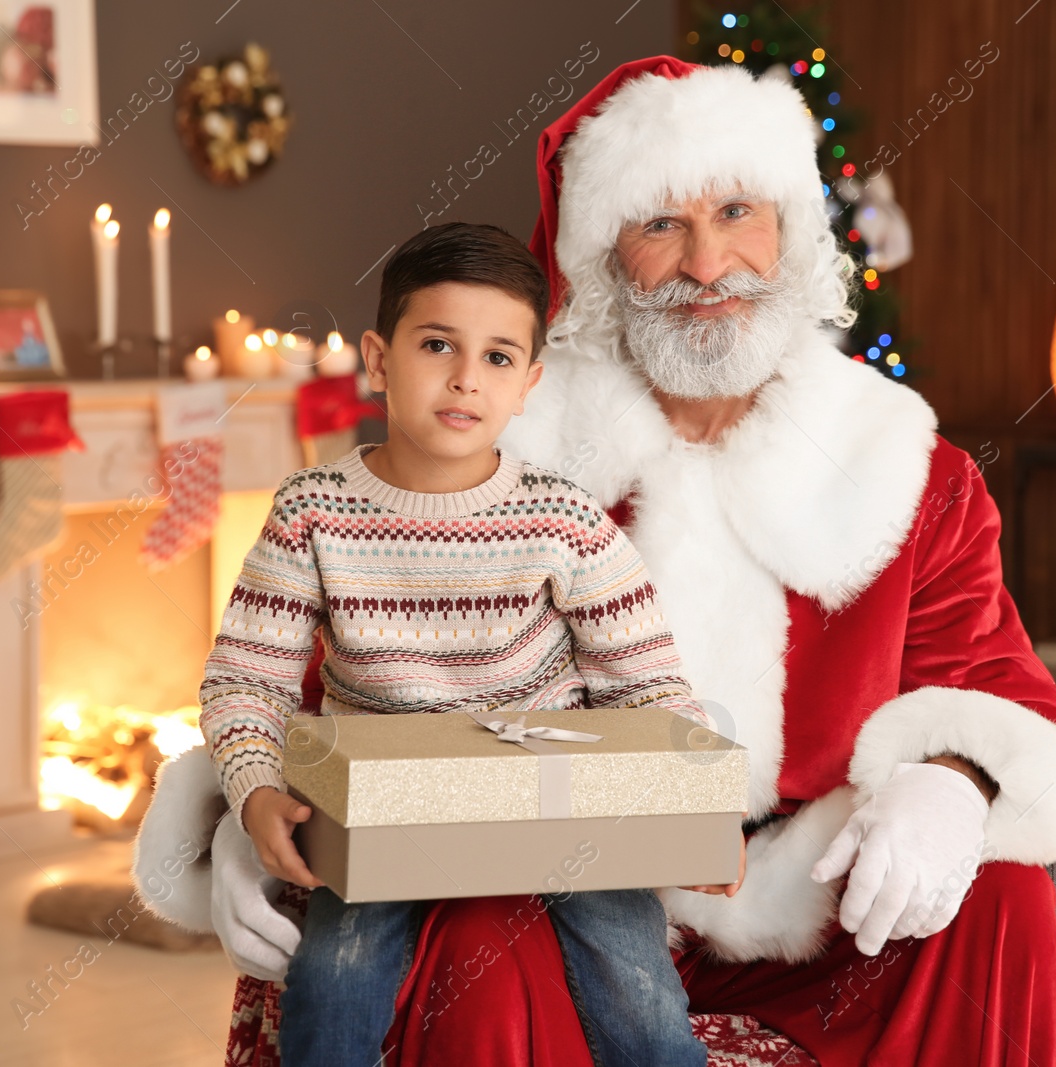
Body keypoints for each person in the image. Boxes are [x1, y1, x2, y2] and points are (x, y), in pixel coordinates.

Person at [136, 57, 1056, 1066]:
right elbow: (329, 670)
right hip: (555, 886)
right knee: (472, 934)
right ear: (604, 256)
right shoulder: (496, 462)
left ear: (790, 231)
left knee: (1004, 903)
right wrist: (243, 812)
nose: (705, 263)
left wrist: (948, 782)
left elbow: (989, 680)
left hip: (816, 896)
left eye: (736, 209)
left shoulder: (911, 470)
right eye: (659, 225)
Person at [198, 221, 719, 1067]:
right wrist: (255, 792)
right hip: (380, 807)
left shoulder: (563, 519)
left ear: (528, 385)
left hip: (559, 799)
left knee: (641, 992)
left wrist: (695, 810)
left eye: (499, 357)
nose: (466, 378)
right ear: (377, 359)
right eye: (437, 344)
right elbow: (243, 681)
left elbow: (648, 681)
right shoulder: (311, 512)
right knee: (333, 981)